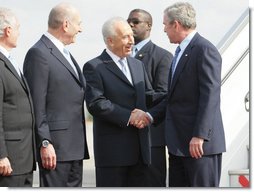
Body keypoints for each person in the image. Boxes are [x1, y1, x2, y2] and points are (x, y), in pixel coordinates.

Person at [131, 2, 226, 187]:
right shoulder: (180, 52)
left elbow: (210, 96)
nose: (164, 29)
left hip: (199, 146)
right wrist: (150, 116)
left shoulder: (204, 50)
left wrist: (200, 135)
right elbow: (173, 98)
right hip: (179, 146)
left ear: (176, 24)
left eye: (165, 24)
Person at [23, 2, 89, 187]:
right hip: (56, 149)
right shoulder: (39, 53)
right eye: (79, 23)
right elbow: (36, 104)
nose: (81, 29)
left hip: (74, 147)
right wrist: (45, 142)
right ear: (66, 25)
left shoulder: (65, 53)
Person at [83, 17, 153, 187]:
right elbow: (96, 103)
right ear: (110, 40)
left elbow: (149, 96)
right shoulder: (94, 67)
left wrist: (151, 113)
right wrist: (129, 117)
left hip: (141, 154)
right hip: (113, 155)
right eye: (125, 37)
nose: (131, 41)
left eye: (131, 36)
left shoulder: (137, 65)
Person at [127, 9, 173, 187]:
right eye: (128, 21)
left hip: (151, 138)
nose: (130, 24)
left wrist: (128, 102)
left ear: (149, 26)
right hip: (126, 138)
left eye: (136, 21)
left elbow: (162, 94)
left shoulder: (162, 57)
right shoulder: (120, 57)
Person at [0, 7, 36, 187]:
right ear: (8, 31)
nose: (19, 33)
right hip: (9, 160)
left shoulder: (10, 60)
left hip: (23, 158)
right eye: (18, 28)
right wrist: (1, 155)